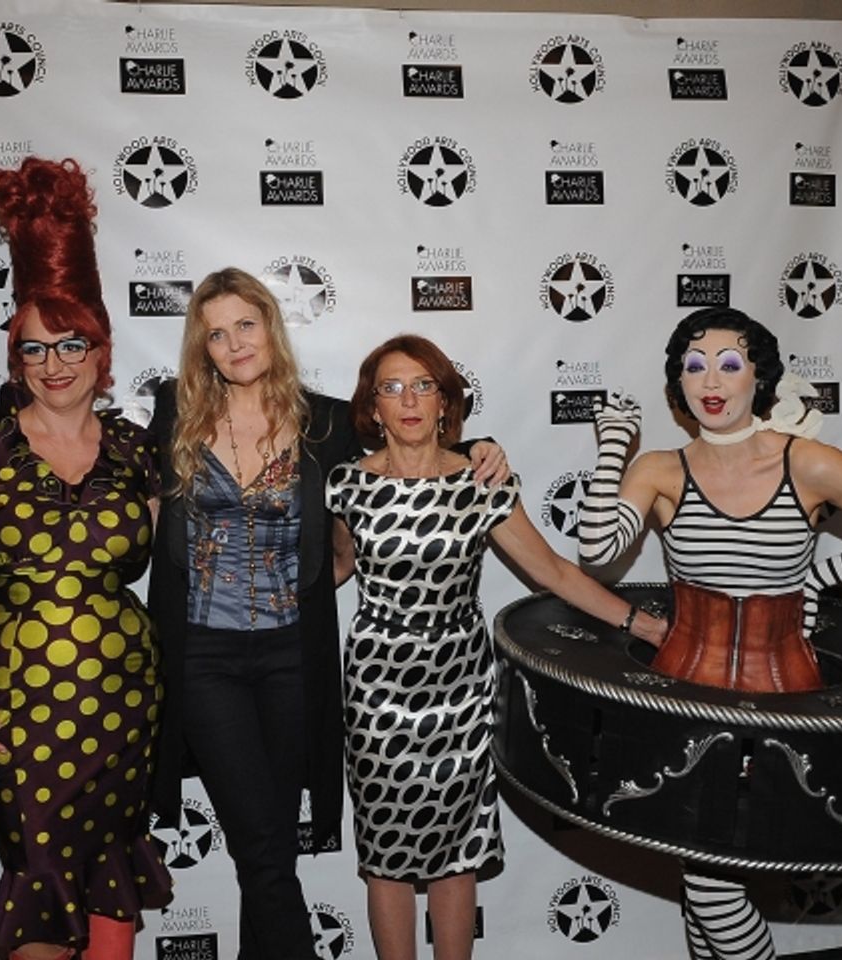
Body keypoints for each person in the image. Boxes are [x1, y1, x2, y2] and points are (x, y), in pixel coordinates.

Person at [148, 273, 508, 960]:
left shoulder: (327, 421)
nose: (233, 343)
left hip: (292, 656)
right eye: (216, 333)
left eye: (245, 324)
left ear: (271, 327)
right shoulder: (175, 411)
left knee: (273, 844)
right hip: (204, 658)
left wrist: (480, 447)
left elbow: (408, 457)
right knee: (261, 847)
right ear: (203, 346)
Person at [325, 334, 666, 960]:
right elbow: (335, 567)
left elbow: (554, 573)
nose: (408, 400)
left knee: (457, 853)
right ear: (372, 407)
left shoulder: (482, 482)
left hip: (460, 686)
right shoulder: (346, 484)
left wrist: (641, 625)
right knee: (386, 857)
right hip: (376, 689)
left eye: (424, 385)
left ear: (445, 402)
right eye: (391, 387)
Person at [0, 157, 172, 960]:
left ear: (102, 352)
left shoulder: (137, 450)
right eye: (36, 349)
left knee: (109, 877)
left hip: (125, 698)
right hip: (17, 704)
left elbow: (186, 553)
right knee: (40, 878)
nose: (56, 364)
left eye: (74, 344)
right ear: (14, 358)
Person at [577, 305, 842, 960]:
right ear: (677, 383)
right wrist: (612, 447)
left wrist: (823, 579)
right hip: (681, 693)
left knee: (712, 881)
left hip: (783, 699)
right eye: (694, 364)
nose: (711, 379)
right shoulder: (659, 468)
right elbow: (596, 550)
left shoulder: (810, 462)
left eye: (730, 363)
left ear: (758, 378)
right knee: (702, 871)